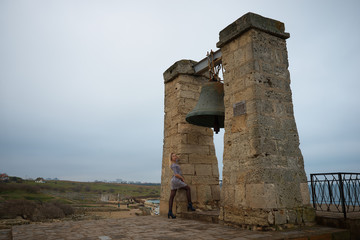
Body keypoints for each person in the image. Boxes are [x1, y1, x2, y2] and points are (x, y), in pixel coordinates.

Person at [168, 153, 195, 219]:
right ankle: (190, 205)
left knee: (172, 196)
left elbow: (178, 159)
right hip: (176, 180)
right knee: (188, 188)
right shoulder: (173, 165)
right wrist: (182, 178)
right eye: (173, 156)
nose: (175, 157)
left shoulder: (175, 163)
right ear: (171, 158)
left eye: (175, 156)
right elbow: (176, 174)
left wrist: (178, 156)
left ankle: (170, 212)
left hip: (174, 181)